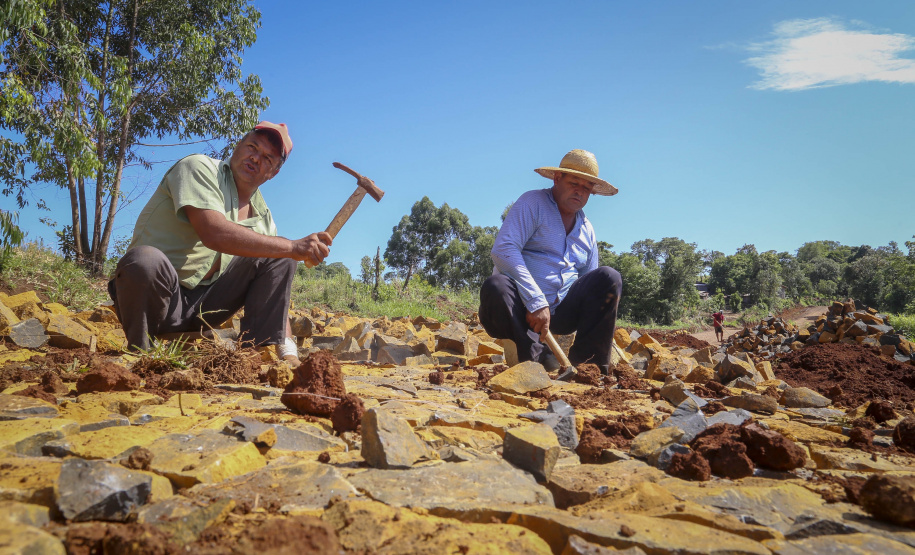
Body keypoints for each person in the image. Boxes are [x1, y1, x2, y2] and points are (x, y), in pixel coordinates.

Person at [108, 121, 333, 365]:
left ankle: (258, 357)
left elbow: (276, 294)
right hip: (156, 299)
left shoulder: (263, 217)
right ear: (238, 146)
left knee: (278, 253)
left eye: (267, 158)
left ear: (274, 172)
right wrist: (293, 247)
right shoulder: (199, 168)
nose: (256, 158)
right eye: (252, 147)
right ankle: (141, 355)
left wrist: (290, 355)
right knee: (145, 261)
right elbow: (213, 232)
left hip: (205, 311)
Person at [479, 149, 623, 374]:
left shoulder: (587, 230)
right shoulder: (533, 203)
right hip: (519, 308)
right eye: (574, 183)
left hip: (561, 314)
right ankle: (536, 356)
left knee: (608, 278)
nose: (579, 191)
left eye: (586, 188)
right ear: (557, 179)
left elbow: (589, 282)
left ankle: (589, 367)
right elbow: (503, 250)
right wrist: (535, 301)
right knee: (496, 286)